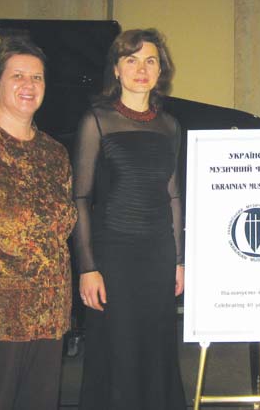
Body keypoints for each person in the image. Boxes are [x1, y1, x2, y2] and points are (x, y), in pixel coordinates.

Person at [73, 28, 186, 410]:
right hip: (114, 256)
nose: (142, 68)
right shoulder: (97, 120)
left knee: (156, 349)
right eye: (132, 59)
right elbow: (81, 197)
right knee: (117, 351)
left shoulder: (170, 126)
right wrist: (87, 267)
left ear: (160, 71)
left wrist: (179, 260)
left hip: (157, 256)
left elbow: (173, 195)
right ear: (117, 70)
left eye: (150, 60)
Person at [0, 37, 77, 410]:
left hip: (48, 317)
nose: (29, 85)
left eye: (38, 78)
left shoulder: (55, 153)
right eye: (18, 76)